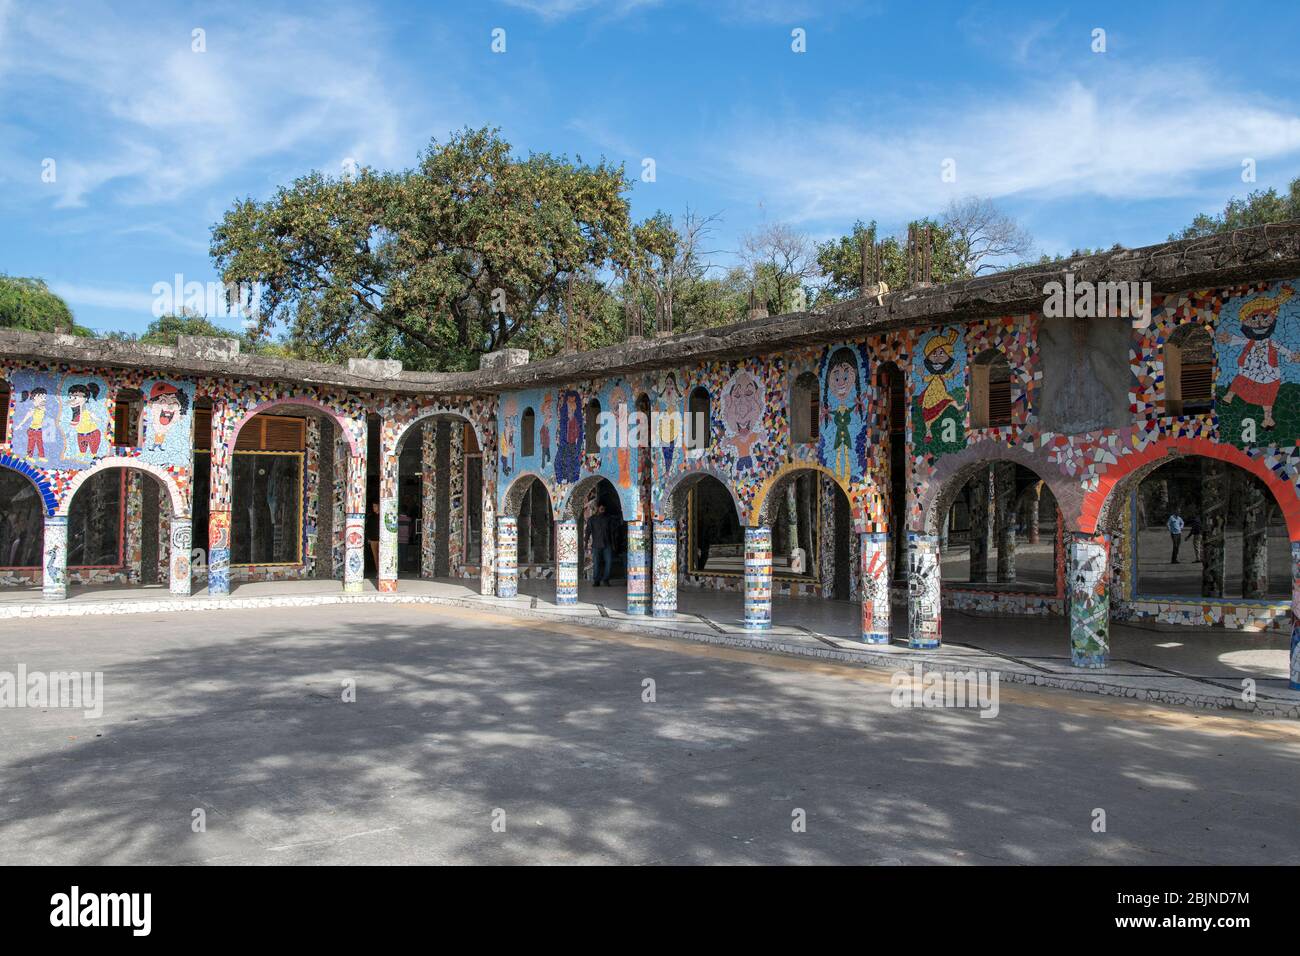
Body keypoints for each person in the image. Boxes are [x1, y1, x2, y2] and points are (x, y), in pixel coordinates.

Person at [585, 502, 617, 587]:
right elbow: (588, 532)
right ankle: (596, 580)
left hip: (607, 544)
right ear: (597, 508)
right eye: (601, 508)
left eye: (604, 508)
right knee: (596, 563)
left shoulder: (608, 519)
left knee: (609, 562)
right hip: (596, 545)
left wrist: (613, 545)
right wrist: (585, 543)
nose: (603, 510)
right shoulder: (591, 519)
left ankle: (606, 579)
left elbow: (612, 532)